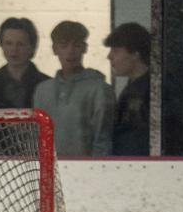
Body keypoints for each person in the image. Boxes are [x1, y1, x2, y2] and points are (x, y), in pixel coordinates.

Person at [32, 20, 115, 156]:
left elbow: (102, 139)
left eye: (76, 45)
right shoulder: (42, 90)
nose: (70, 51)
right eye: (64, 46)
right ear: (54, 49)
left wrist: (97, 166)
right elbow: (36, 136)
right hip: (48, 165)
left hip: (86, 166)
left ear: (84, 48)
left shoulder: (99, 89)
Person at [0, 17, 49, 109]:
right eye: (8, 43)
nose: (14, 49)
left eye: (20, 44)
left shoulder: (48, 86)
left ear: (32, 47)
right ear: (1, 45)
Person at [105, 22, 150, 156]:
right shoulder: (134, 87)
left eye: (116, 51)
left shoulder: (154, 90)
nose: (109, 56)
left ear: (135, 54)